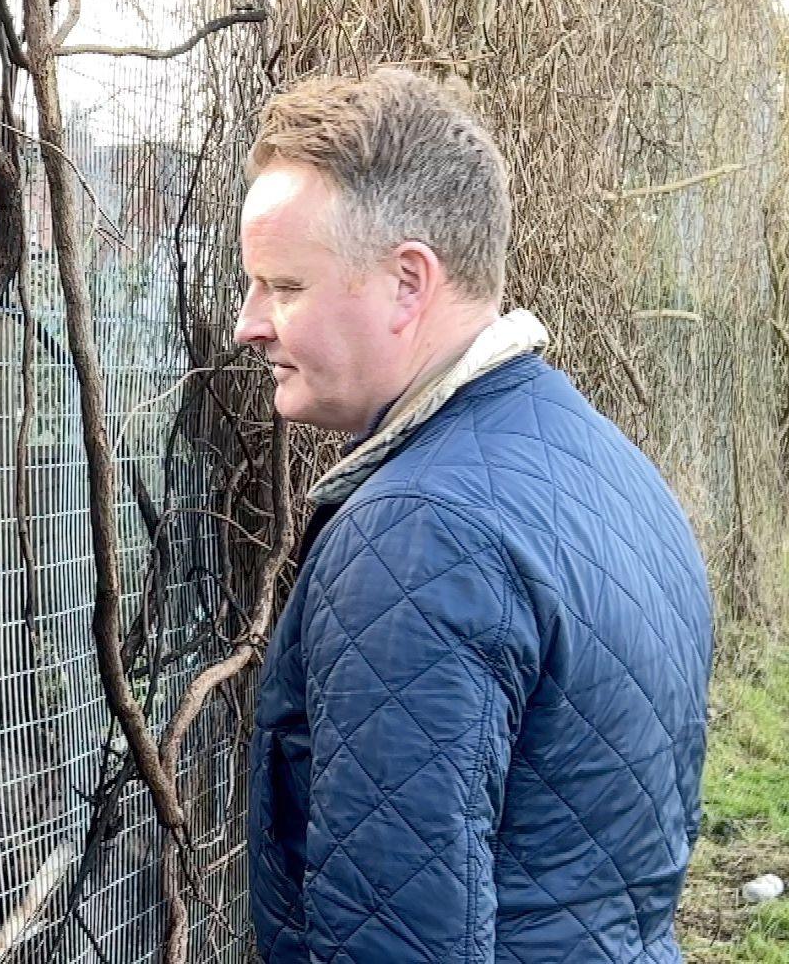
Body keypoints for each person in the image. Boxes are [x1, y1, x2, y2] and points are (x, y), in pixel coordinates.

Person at [235, 68, 712, 962]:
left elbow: (397, 938)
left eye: (284, 287)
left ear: (408, 282)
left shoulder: (420, 535)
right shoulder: (609, 468)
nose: (247, 323)